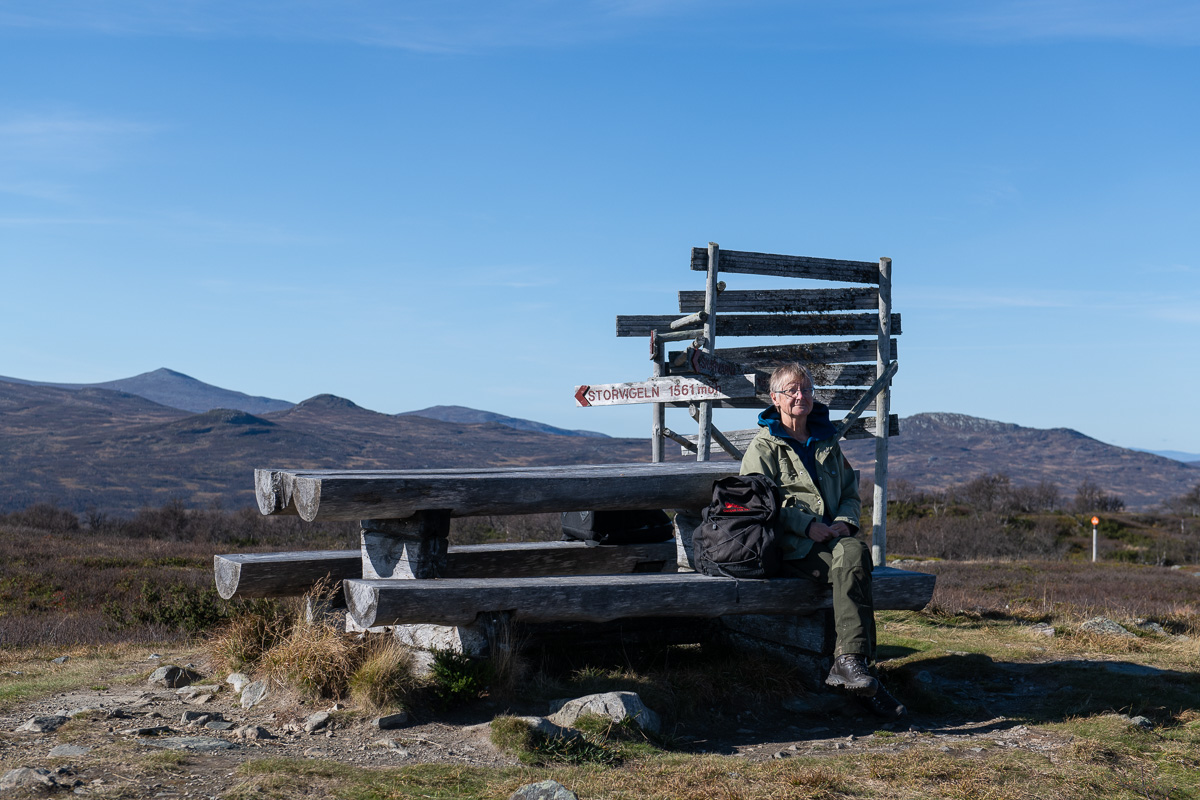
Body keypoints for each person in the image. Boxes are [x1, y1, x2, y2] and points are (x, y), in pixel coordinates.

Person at [739, 362, 904, 719]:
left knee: (854, 553)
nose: (801, 396)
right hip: (791, 547)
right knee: (856, 564)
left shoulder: (826, 440)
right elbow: (758, 504)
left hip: (833, 543)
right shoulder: (763, 448)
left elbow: (849, 491)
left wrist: (845, 521)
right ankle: (860, 672)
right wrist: (805, 525)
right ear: (775, 398)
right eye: (792, 391)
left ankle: (850, 664)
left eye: (807, 390)